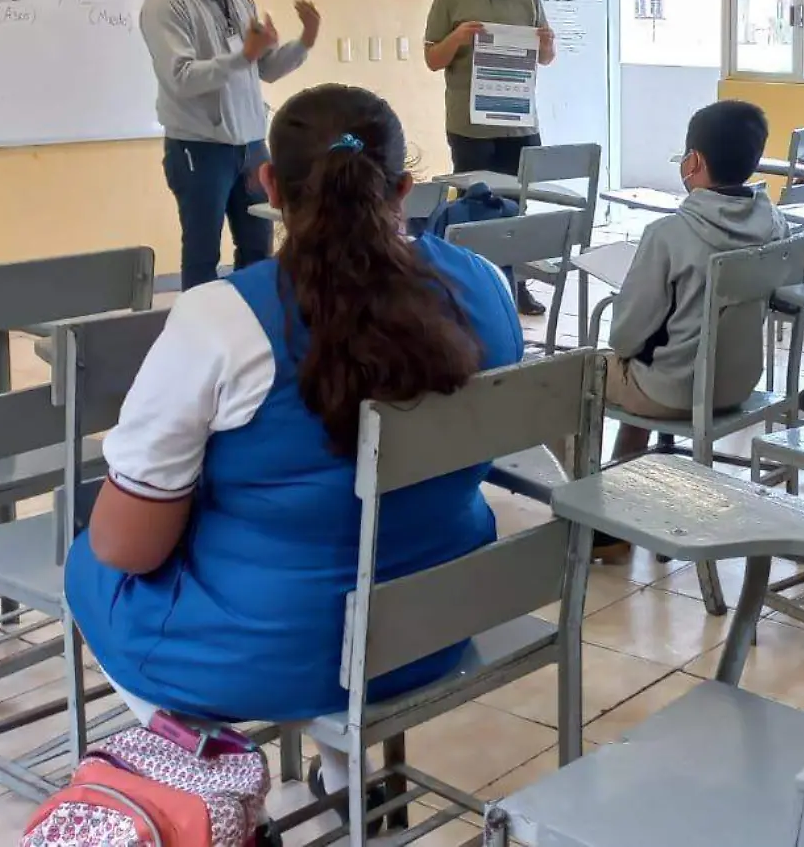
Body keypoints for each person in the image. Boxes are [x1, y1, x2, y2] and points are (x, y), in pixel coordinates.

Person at [66, 85, 524, 802]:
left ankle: (203, 763)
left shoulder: (221, 319)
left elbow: (130, 549)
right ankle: (342, 772)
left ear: (268, 185)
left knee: (90, 561)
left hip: (282, 656)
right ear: (405, 185)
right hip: (435, 625)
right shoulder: (487, 287)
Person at [140, 0, 319, 290]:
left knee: (259, 250)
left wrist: (304, 41)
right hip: (199, 147)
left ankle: (254, 332)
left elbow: (265, 68)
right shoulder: (165, 3)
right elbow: (181, 77)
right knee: (203, 256)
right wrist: (243, 56)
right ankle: (201, 342)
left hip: (252, 143)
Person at [605, 100, 787, 464]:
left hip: (674, 392)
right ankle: (629, 478)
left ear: (695, 162)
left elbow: (624, 337)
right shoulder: (775, 224)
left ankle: (585, 496)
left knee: (577, 375)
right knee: (645, 366)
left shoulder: (668, 234)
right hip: (737, 385)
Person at [424, 0, 557, 315]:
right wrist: (458, 37)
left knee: (517, 207)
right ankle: (472, 291)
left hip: (519, 122)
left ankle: (517, 287)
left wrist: (548, 45)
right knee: (474, 210)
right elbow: (432, 59)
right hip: (470, 126)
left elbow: (546, 57)